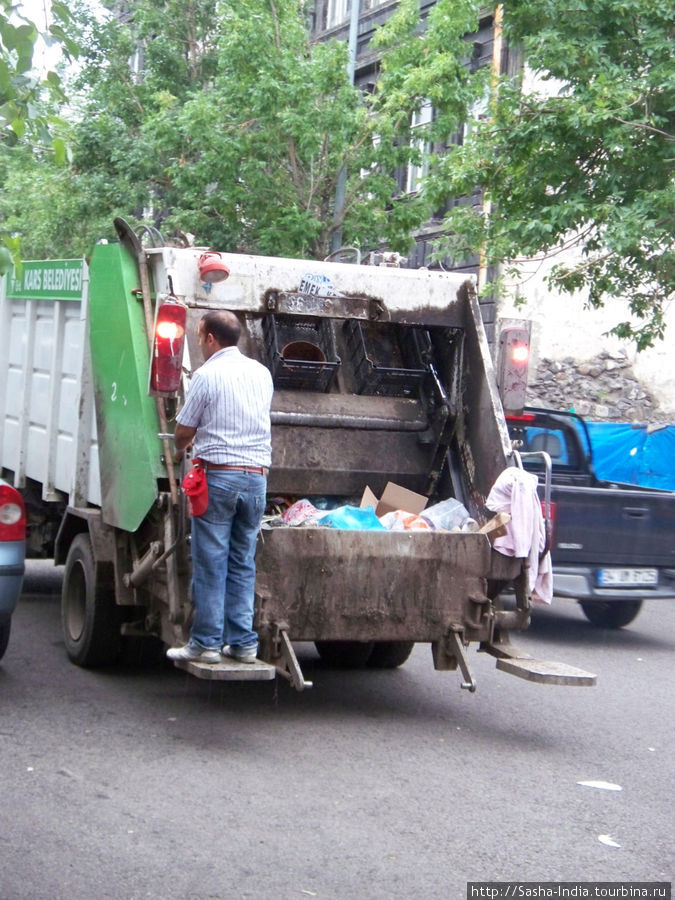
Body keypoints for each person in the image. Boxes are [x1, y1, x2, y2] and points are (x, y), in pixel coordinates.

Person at [167, 310, 273, 664]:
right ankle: (243, 643)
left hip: (220, 478)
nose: (199, 343)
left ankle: (206, 644)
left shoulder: (206, 375)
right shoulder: (262, 374)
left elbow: (184, 431)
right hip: (256, 478)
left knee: (211, 561)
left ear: (210, 338)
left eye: (199, 337)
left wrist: (180, 447)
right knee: (243, 561)